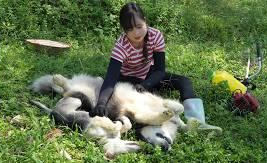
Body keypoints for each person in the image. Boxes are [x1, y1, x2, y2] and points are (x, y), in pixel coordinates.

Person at [90, 2, 222, 134]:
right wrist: (101, 103)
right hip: (129, 80)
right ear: (124, 30)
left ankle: (197, 121)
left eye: (139, 26)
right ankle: (170, 123)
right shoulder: (121, 47)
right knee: (150, 98)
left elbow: (160, 70)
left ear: (145, 21)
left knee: (184, 82)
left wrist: (146, 84)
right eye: (130, 29)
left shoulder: (156, 35)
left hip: (150, 76)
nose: (136, 32)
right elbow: (111, 79)